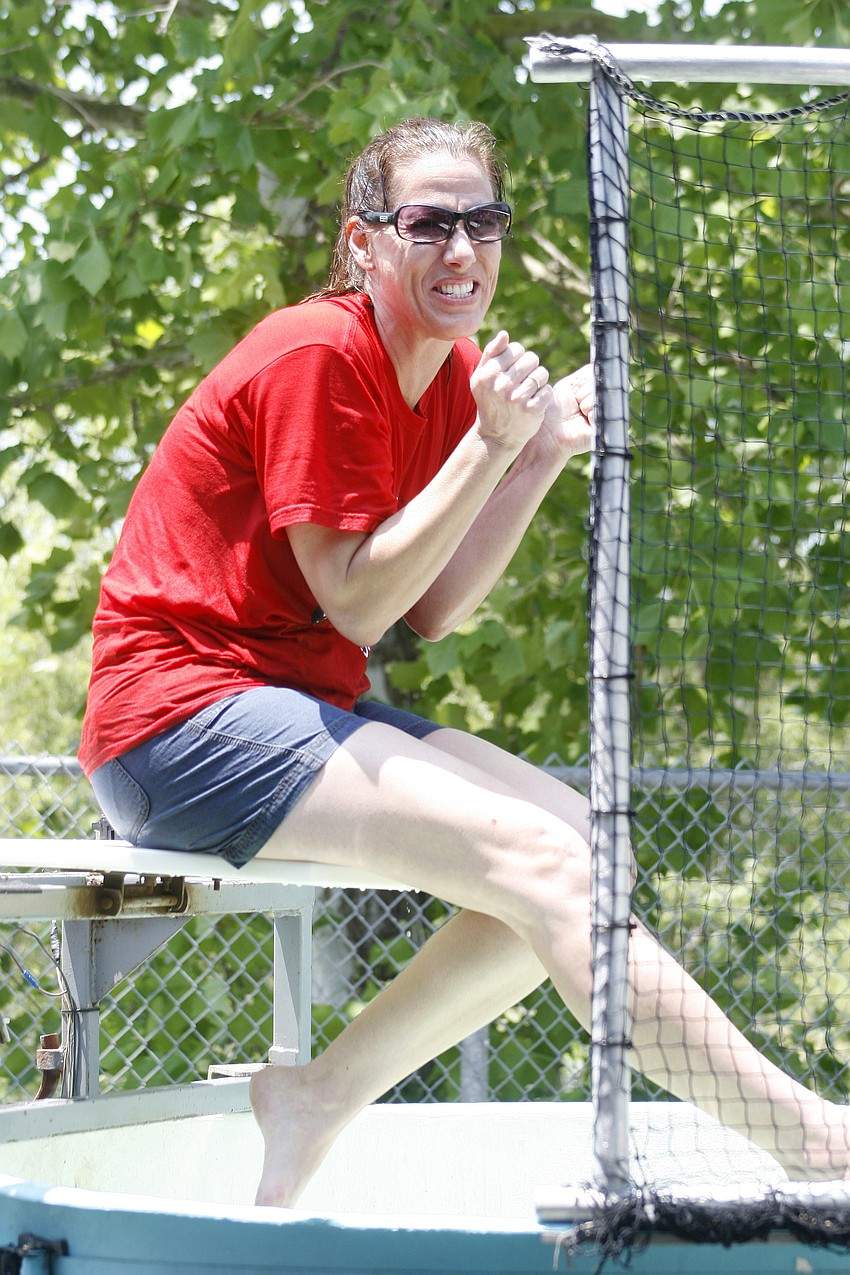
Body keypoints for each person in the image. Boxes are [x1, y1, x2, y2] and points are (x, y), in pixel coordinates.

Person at [79, 116, 849, 1207]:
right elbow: (356, 599)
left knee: (588, 858)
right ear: (362, 244)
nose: (461, 253)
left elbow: (431, 607)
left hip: (286, 703)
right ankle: (817, 1145)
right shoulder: (318, 352)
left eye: (481, 223)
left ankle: (319, 1093)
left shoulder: (447, 372)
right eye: (427, 225)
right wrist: (490, 445)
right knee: (551, 869)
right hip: (178, 726)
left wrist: (530, 455)